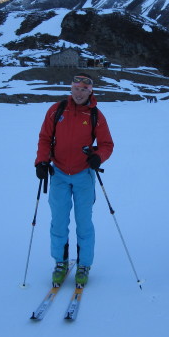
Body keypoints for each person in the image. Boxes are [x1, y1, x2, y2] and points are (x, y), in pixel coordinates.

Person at [34, 73, 114, 287]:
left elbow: (107, 144)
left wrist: (98, 156)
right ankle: (60, 262)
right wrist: (42, 161)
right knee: (58, 222)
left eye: (84, 89)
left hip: (83, 175)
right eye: (76, 88)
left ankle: (84, 264)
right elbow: (44, 138)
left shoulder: (96, 115)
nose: (79, 93)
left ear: (90, 91)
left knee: (84, 223)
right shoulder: (56, 110)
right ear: (71, 89)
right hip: (58, 173)